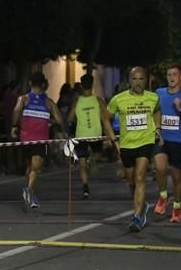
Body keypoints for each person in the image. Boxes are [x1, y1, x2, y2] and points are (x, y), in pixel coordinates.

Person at [106, 67, 162, 232]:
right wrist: (112, 138)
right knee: (131, 181)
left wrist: (157, 127)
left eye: (141, 79)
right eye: (135, 79)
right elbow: (105, 117)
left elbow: (157, 110)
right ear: (130, 80)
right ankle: (141, 205)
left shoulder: (153, 98)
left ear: (146, 80)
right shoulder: (118, 99)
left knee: (140, 177)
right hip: (126, 145)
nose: (138, 82)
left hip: (145, 142)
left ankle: (137, 216)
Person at [10, 72, 64, 209]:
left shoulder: (23, 99)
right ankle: (28, 191)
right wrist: (47, 120)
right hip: (40, 139)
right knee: (36, 169)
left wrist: (14, 126)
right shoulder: (48, 102)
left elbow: (16, 113)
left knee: (30, 167)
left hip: (25, 139)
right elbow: (60, 120)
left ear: (29, 83)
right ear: (44, 84)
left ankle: (31, 196)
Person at [152, 64, 181, 223]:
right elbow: (151, 111)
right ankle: (163, 196)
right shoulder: (158, 93)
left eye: (174, 74)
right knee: (160, 168)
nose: (171, 77)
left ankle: (177, 207)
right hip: (162, 139)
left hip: (178, 141)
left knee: (176, 177)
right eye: (169, 74)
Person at [67, 74, 114, 199]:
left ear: (81, 86)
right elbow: (107, 116)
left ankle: (85, 187)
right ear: (92, 85)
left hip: (81, 135)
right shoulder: (98, 101)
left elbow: (70, 118)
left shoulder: (77, 101)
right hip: (96, 135)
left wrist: (79, 117)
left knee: (82, 163)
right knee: (97, 154)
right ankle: (92, 158)